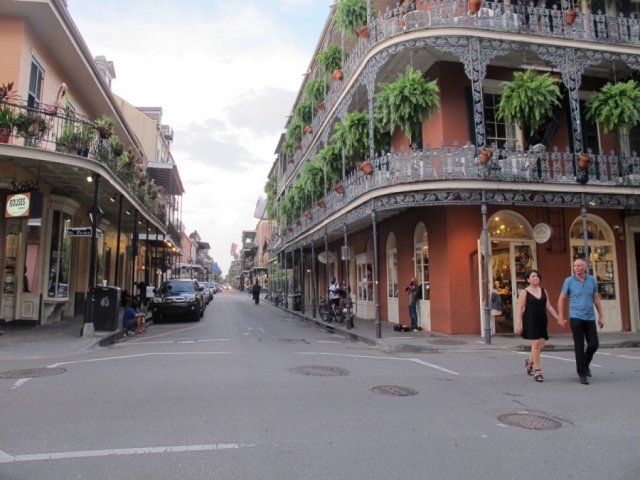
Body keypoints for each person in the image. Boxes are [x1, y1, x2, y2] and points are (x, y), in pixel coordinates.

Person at [557, 257, 604, 385]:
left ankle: (585, 364)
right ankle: (582, 373)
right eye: (575, 266)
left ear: (585, 267)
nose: (576, 268)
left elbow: (596, 299)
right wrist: (560, 316)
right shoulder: (569, 281)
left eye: (579, 266)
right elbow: (561, 299)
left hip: (590, 317)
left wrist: (601, 316)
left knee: (594, 344)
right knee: (579, 345)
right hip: (576, 316)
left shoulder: (592, 280)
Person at [514, 270, 561, 383]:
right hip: (530, 320)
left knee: (542, 346)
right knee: (535, 344)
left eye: (537, 276)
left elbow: (549, 306)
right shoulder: (525, 292)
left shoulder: (544, 291)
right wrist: (518, 323)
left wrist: (557, 317)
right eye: (533, 276)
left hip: (542, 320)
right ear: (528, 279)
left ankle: (530, 361)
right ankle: (538, 371)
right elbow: (520, 308)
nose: (536, 278)